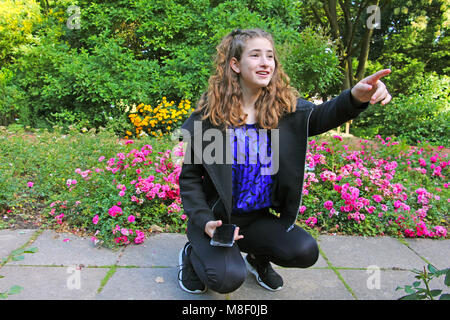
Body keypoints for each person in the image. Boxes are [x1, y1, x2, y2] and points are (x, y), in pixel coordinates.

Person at [177, 28, 392, 294]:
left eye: (270, 56)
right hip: (217, 221)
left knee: (304, 251)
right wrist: (204, 220)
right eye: (255, 55)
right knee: (226, 280)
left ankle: (258, 257)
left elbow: (324, 114)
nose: (265, 62)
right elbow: (189, 179)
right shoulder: (210, 119)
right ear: (234, 64)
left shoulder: (285, 112)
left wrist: (356, 97)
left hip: (256, 220)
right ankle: (192, 253)